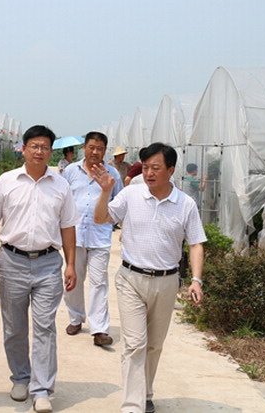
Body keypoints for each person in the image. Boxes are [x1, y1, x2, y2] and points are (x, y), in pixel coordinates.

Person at [93, 142, 205, 413]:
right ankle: (132, 406)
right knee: (135, 344)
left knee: (154, 345)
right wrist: (105, 192)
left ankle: (145, 393)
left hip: (166, 282)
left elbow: (195, 244)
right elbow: (101, 218)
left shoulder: (185, 204)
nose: (149, 173)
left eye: (155, 168)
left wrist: (196, 280)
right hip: (131, 278)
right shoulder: (131, 194)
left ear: (171, 170)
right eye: (145, 168)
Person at [0, 125, 79, 413]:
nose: (39, 151)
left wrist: (71, 264)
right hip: (11, 261)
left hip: (48, 263)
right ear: (23, 149)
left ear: (51, 152)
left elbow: (68, 227)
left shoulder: (61, 185)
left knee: (45, 327)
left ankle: (41, 390)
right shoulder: (6, 181)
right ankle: (20, 377)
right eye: (34, 146)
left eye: (45, 147)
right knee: (14, 327)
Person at [61, 131, 123, 347]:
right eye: (91, 147)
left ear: (105, 151)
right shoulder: (71, 171)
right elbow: (62, 200)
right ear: (84, 148)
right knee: (74, 280)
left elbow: (119, 202)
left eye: (100, 149)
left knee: (99, 283)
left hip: (100, 236)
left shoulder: (112, 174)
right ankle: (75, 318)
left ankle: (99, 329)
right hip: (74, 236)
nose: (95, 152)